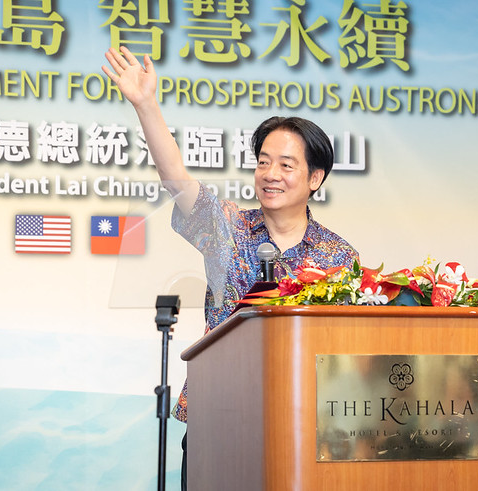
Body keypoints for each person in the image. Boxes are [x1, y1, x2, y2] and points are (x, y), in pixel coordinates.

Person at [102, 46, 359, 489]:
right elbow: (177, 180)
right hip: (218, 415)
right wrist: (146, 105)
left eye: (285, 164)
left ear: (315, 178)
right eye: (262, 162)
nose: (270, 174)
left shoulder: (339, 258)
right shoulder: (229, 229)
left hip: (304, 427)